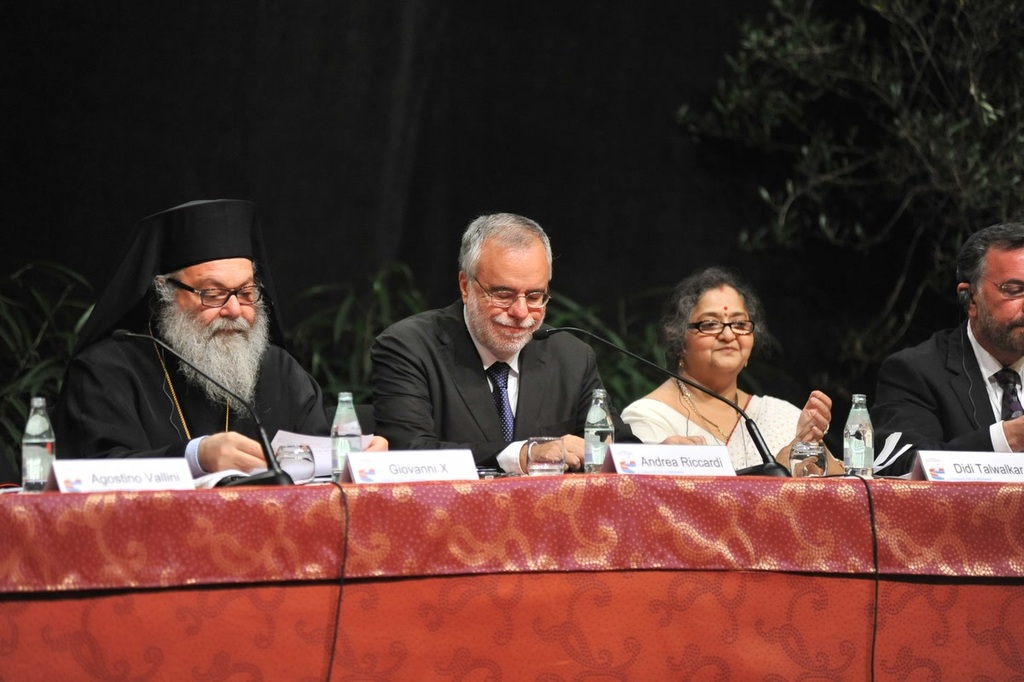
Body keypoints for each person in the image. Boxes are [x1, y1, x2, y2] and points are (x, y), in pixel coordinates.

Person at [54, 199, 385, 478]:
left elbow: (318, 465)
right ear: (164, 292)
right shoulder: (103, 372)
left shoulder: (277, 369)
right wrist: (194, 457)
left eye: (246, 292)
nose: (234, 309)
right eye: (212, 294)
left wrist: (353, 459)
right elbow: (86, 475)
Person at [370, 212, 644, 473]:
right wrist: (522, 454)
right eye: (503, 294)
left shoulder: (571, 357)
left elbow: (616, 449)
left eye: (535, 296)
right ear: (466, 286)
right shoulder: (409, 347)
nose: (521, 312)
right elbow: (408, 450)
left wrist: (662, 454)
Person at [621, 266, 838, 473]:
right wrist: (779, 467)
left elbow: (847, 489)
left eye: (740, 324)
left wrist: (813, 440)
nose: (728, 335)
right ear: (678, 340)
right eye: (710, 324)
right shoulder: (647, 418)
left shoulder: (781, 416)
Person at [872, 222, 1024, 474]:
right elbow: (899, 467)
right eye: (1014, 290)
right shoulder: (916, 372)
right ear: (971, 298)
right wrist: (1006, 438)